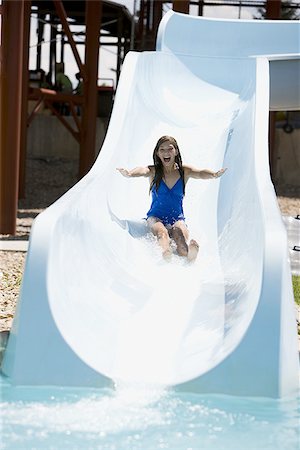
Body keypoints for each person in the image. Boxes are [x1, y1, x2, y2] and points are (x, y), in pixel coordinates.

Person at [117, 135, 226, 262]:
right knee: (162, 232)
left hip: (177, 218)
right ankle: (166, 252)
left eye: (169, 149)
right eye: (162, 150)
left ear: (176, 151)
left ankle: (188, 253)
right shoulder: (154, 171)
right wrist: (130, 173)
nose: (166, 153)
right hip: (155, 216)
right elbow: (142, 170)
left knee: (178, 233)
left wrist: (213, 174)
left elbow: (200, 172)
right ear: (157, 153)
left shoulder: (184, 171)